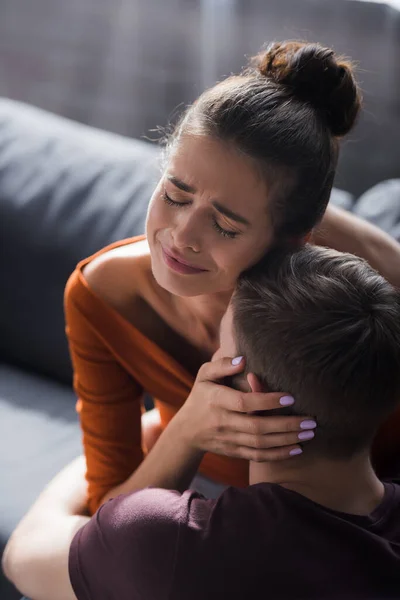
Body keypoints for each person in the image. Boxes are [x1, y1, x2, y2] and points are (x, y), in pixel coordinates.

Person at [59, 40, 400, 517]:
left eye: (225, 226)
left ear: (292, 239)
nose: (182, 236)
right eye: (175, 195)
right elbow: (105, 513)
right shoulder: (102, 296)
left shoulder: (341, 300)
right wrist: (187, 430)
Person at [4, 244, 400, 600]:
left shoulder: (168, 540)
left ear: (251, 392)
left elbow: (24, 556)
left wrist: (178, 428)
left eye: (222, 349)